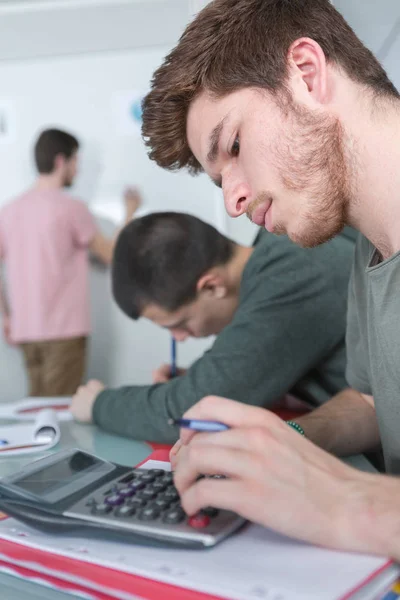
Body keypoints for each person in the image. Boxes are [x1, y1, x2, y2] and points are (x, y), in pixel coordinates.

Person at [140, 0, 400, 556]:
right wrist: (286, 444)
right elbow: (376, 403)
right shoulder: (369, 251)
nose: (234, 201)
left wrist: (344, 500)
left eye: (233, 145)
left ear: (306, 73)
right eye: (219, 181)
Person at [71, 211, 355, 442]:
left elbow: (189, 410)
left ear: (212, 286)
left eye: (179, 324)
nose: (179, 338)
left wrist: (99, 404)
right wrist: (205, 377)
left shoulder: (290, 277)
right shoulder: (275, 252)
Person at [0, 128, 141, 397]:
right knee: (58, 415)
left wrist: (7, 316)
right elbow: (112, 255)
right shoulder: (72, 208)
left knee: (37, 410)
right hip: (64, 331)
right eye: (76, 161)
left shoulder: (8, 211)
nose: (78, 170)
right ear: (60, 161)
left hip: (25, 330)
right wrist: (130, 211)